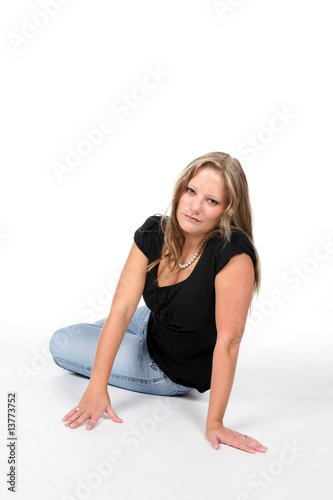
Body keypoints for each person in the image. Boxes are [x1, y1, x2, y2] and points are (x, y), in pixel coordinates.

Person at [49, 151, 267, 454]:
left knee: (61, 341)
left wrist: (214, 422)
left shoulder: (232, 254)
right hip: (150, 320)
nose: (194, 206)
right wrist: (97, 387)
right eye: (191, 191)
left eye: (211, 201)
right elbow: (123, 309)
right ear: (180, 190)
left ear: (227, 210)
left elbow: (229, 342)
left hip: (168, 366)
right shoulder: (155, 230)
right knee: (93, 333)